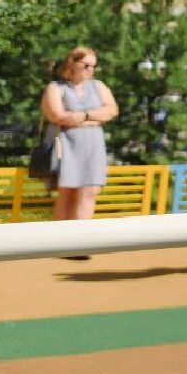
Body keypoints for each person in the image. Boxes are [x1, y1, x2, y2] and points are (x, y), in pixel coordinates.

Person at [40, 47, 118, 248]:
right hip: (67, 144)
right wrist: (94, 116)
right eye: (86, 65)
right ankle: (59, 242)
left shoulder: (98, 86)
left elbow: (111, 110)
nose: (90, 69)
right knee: (68, 191)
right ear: (72, 63)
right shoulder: (56, 87)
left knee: (90, 190)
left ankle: (79, 242)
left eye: (93, 65)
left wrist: (82, 116)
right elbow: (56, 115)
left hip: (93, 145)